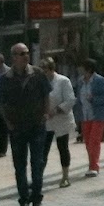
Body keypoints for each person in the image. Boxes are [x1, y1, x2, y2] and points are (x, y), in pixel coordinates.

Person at [0, 43, 52, 206]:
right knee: (19, 165)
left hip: (36, 126)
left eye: (27, 53)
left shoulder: (38, 74)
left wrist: (45, 114)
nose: (26, 56)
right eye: (22, 53)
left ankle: (36, 198)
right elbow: (1, 102)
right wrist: (8, 122)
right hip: (17, 128)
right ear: (14, 57)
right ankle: (24, 199)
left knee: (37, 163)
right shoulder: (6, 78)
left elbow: (46, 95)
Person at [42, 52, 77, 190]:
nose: (43, 73)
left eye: (45, 70)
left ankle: (65, 176)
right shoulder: (40, 82)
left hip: (61, 119)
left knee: (62, 147)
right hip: (46, 120)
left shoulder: (63, 81)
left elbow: (70, 100)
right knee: (42, 150)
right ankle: (38, 177)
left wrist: (55, 111)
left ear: (51, 69)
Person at [78, 58, 104, 177]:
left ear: (88, 68)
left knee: (94, 141)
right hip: (85, 115)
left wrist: (94, 99)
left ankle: (94, 167)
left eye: (81, 67)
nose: (79, 69)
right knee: (88, 142)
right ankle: (91, 164)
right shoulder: (80, 81)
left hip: (98, 115)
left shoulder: (100, 80)